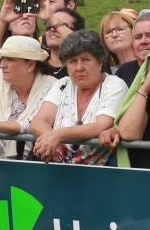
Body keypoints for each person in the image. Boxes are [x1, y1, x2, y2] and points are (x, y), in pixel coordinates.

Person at [30, 29, 127, 165]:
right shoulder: (62, 84)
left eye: (86, 59)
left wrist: (57, 135)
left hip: (101, 173)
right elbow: (38, 121)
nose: (79, 67)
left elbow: (101, 125)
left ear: (100, 62)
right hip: (58, 170)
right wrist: (50, 140)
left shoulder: (114, 84)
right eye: (73, 61)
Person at [0, 35, 57, 158]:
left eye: (10, 59)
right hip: (1, 166)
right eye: (2, 58)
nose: (2, 65)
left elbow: (29, 125)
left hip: (39, 163)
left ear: (30, 65)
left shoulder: (52, 85)